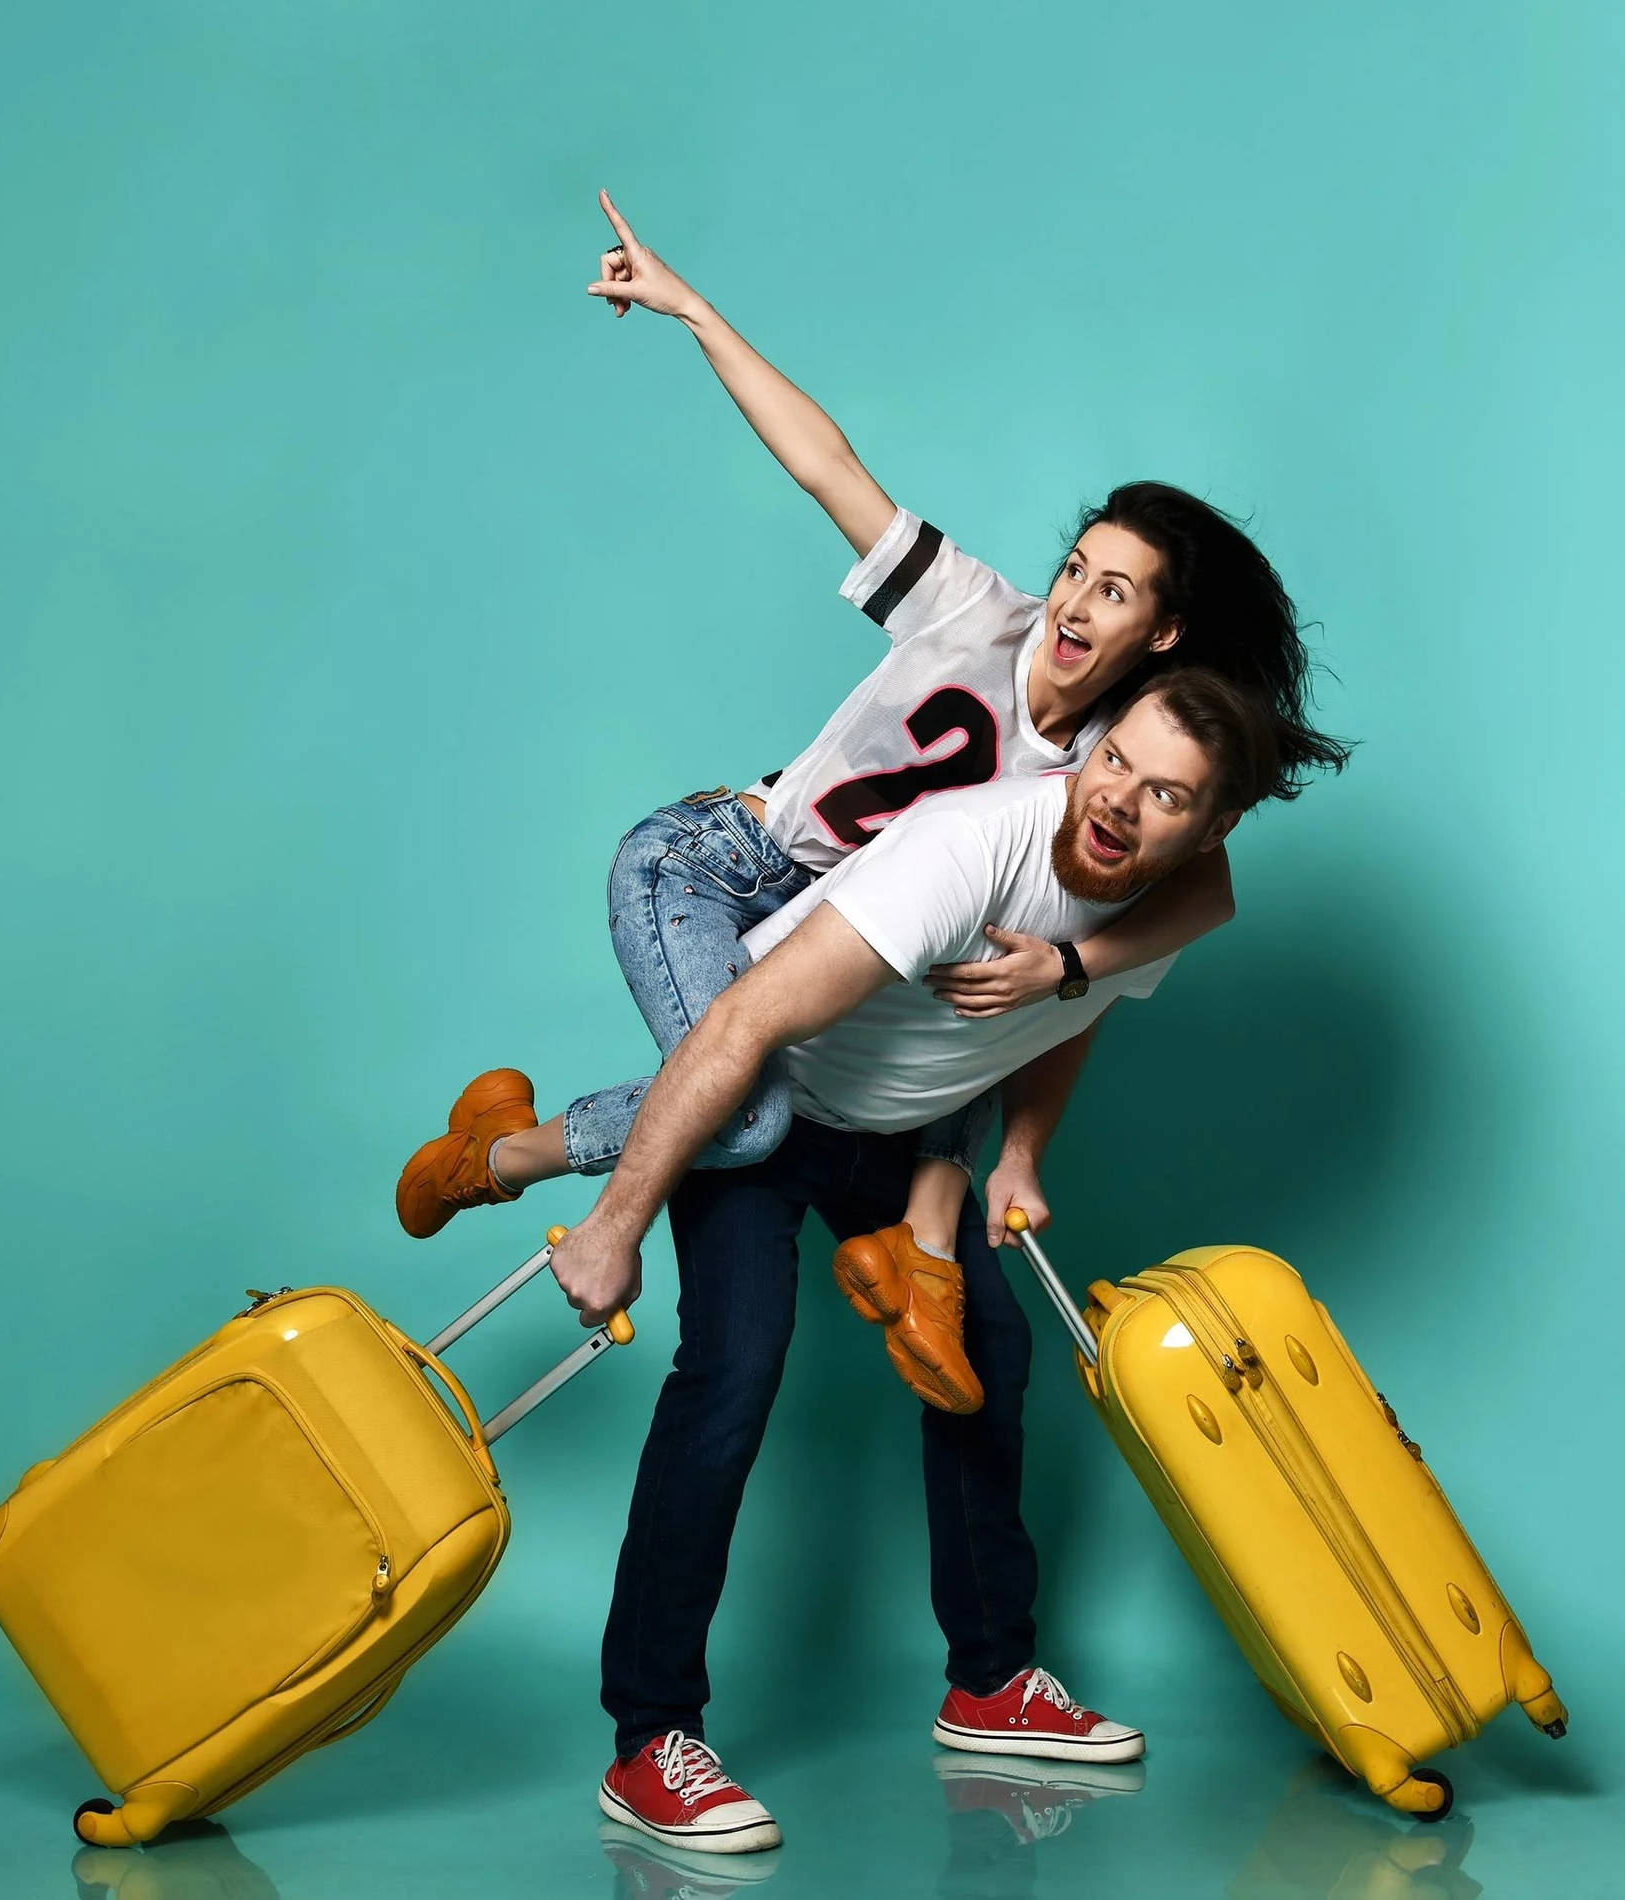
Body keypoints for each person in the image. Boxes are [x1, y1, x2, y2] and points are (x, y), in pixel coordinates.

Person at [395, 190, 1347, 1413]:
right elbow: (825, 463)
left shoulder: (1125, 759)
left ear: (1159, 633)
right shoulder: (970, 610)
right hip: (719, 866)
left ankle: (922, 1256)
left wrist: (1064, 977)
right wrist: (689, 308)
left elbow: (1207, 884)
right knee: (750, 1117)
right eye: (1074, 569)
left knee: (963, 1018)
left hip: (854, 931)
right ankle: (507, 1152)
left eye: (1113, 593)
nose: (1073, 602)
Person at [546, 670, 1298, 1854]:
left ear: (1208, 830)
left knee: (988, 1352)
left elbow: (1076, 1010)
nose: (1120, 802)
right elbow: (737, 1029)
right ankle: (650, 1740)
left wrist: (1023, 1156)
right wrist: (616, 1225)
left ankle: (990, 1685)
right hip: (771, 1118)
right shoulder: (964, 849)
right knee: (734, 1372)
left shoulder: (1152, 905)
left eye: (1166, 795)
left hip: (903, 1150)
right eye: (1115, 763)